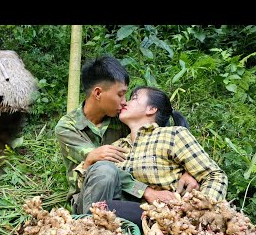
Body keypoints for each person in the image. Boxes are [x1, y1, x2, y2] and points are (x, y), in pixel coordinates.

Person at [55, 55, 198, 225]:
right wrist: (146, 191)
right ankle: (89, 233)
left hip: (125, 197)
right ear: (98, 93)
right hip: (88, 198)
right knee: (104, 169)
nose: (124, 102)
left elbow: (163, 130)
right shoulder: (67, 128)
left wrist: (189, 169)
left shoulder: (122, 117)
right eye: (121, 95)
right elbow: (97, 165)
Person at [110, 86, 227, 200]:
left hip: (170, 214)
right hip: (113, 214)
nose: (125, 103)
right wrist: (145, 191)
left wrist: (202, 210)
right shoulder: (115, 147)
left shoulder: (172, 135)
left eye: (134, 98)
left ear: (151, 109)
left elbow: (213, 175)